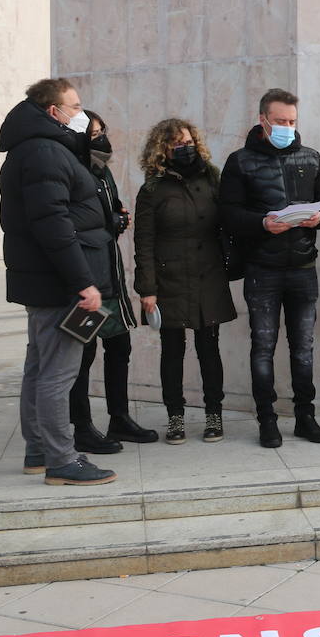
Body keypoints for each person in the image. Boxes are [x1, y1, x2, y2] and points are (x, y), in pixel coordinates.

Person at [0, 78, 116, 485]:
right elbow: (52, 224)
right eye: (76, 106)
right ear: (54, 112)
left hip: (43, 278)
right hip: (59, 281)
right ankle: (62, 459)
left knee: (39, 366)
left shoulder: (33, 148)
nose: (81, 113)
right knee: (57, 373)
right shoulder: (46, 151)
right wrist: (83, 282)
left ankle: (38, 449)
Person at [218, 88, 320, 448]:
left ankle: (306, 418)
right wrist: (262, 224)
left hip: (303, 267)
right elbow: (227, 214)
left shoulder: (311, 157)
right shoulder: (240, 161)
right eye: (281, 121)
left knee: (303, 347)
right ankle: (267, 421)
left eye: (292, 122)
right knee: (263, 347)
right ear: (263, 120)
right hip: (262, 269)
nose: (287, 127)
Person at [134, 118, 238, 444]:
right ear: (162, 148)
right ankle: (175, 418)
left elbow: (228, 222)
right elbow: (143, 243)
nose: (185, 147)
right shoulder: (152, 189)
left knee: (210, 349)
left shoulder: (212, 179)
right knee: (172, 351)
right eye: (177, 143)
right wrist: (147, 289)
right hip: (170, 280)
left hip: (208, 276)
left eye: (189, 141)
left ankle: (213, 415)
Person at [67, 111, 151, 455]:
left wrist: (117, 219)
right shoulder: (69, 170)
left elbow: (106, 213)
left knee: (119, 348)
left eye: (102, 131)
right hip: (85, 281)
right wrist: (106, 223)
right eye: (93, 133)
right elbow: (68, 223)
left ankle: (119, 417)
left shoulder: (103, 171)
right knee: (82, 355)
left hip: (110, 275)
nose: (100, 138)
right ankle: (81, 427)